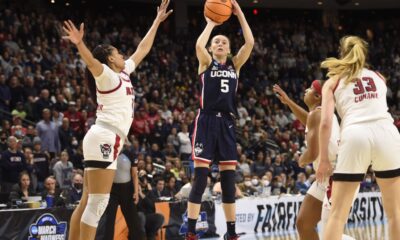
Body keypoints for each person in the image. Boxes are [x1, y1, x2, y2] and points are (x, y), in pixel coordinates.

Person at [64, 1, 172, 239]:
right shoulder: (107, 76)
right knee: (97, 203)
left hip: (102, 137)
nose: (123, 55)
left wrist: (156, 22)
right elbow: (92, 63)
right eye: (118, 52)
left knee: (86, 202)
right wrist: (80, 43)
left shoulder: (123, 72)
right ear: (110, 59)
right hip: (105, 137)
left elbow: (142, 49)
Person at [316, 36, 400, 240]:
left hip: (355, 135)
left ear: (341, 53)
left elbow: (326, 122)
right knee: (395, 213)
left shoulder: (333, 83)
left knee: (337, 215)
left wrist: (324, 160)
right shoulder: (379, 76)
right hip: (386, 132)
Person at [186, 0, 254, 239]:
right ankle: (192, 232)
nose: (220, 43)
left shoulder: (235, 65)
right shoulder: (205, 63)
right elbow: (198, 44)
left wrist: (240, 14)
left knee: (228, 182)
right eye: (217, 41)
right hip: (205, 121)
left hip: (226, 123)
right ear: (212, 48)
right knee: (200, 179)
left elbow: (250, 42)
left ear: (229, 48)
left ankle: (231, 232)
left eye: (224, 42)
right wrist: (210, 25)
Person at [273, 83, 354, 240]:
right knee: (304, 223)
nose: (305, 90)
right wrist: (289, 102)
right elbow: (308, 121)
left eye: (309, 89)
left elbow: (312, 153)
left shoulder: (318, 115)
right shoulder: (318, 114)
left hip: (335, 177)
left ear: (317, 97)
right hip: (324, 177)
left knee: (330, 235)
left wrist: (300, 160)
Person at [96, 144, 145, 240]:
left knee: (133, 219)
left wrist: (136, 192)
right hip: (112, 190)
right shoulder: (107, 154)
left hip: (127, 190)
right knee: (109, 221)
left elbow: (135, 175)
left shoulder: (130, 154)